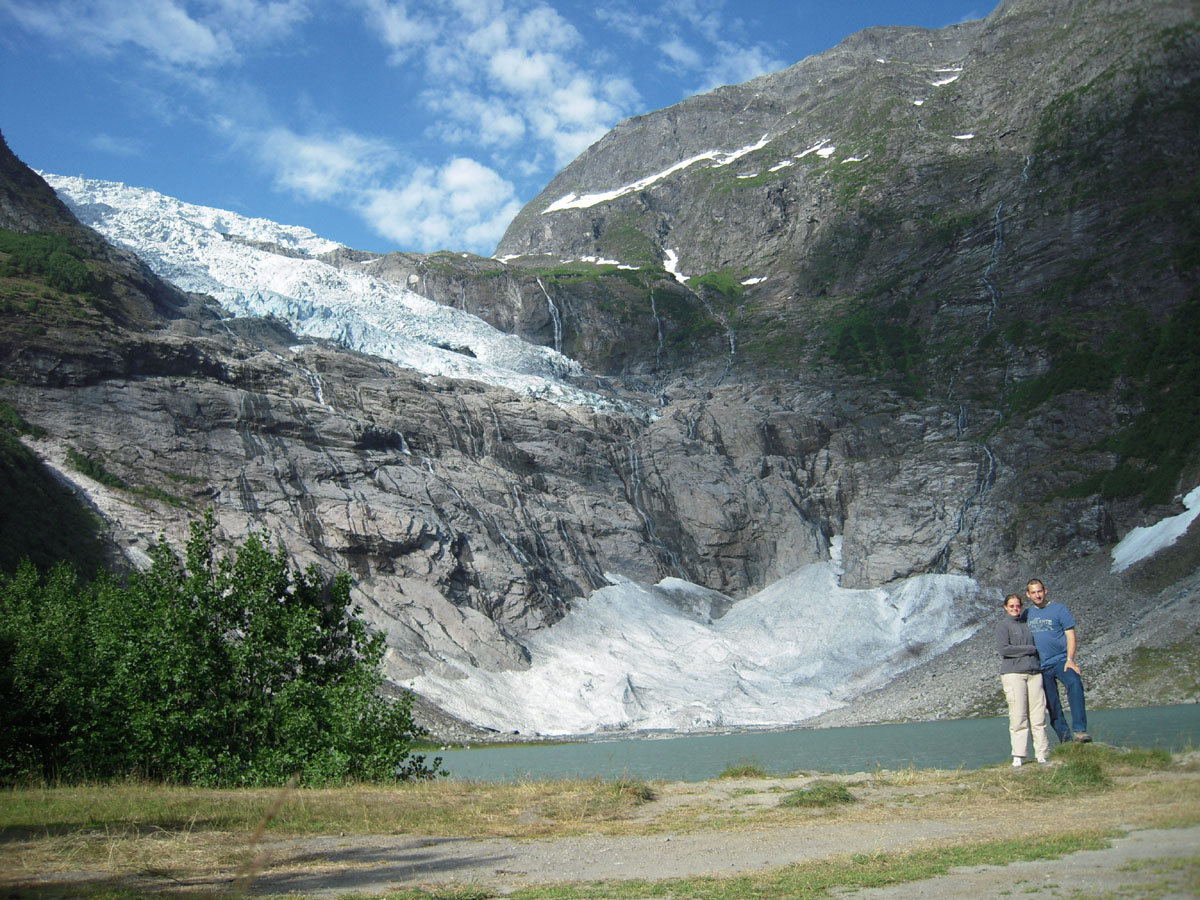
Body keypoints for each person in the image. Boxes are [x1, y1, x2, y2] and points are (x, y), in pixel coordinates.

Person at [1025, 578, 1090, 743]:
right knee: (1051, 702)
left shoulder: (1059, 609)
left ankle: (1080, 730)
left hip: (1061, 660)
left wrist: (1070, 659)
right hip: (1041, 666)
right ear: (1028, 595)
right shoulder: (1027, 614)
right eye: (1033, 592)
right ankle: (1065, 739)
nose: (1037, 595)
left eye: (1039, 591)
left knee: (1074, 683)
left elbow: (1070, 634)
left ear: (1045, 591)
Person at [995, 593, 1050, 766]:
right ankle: (1018, 755)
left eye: (1017, 605)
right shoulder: (1003, 626)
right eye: (1011, 606)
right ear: (1005, 607)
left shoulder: (1028, 624)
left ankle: (1042, 754)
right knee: (1018, 715)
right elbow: (1004, 650)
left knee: (1038, 714)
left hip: (1034, 673)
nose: (1015, 608)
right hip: (1013, 674)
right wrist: (1030, 649)